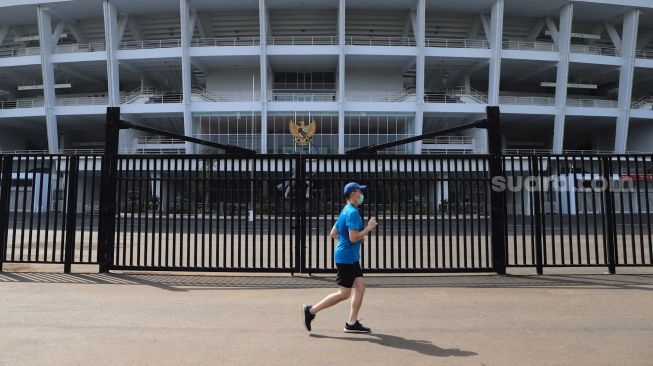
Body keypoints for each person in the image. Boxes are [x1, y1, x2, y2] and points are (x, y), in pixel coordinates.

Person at [303, 182, 378, 333]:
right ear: (352, 194)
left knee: (361, 284)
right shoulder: (352, 213)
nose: (361, 195)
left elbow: (333, 233)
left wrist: (353, 238)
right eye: (359, 192)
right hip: (347, 258)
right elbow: (353, 237)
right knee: (344, 294)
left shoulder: (346, 210)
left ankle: (352, 323)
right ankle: (310, 311)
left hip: (349, 257)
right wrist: (368, 228)